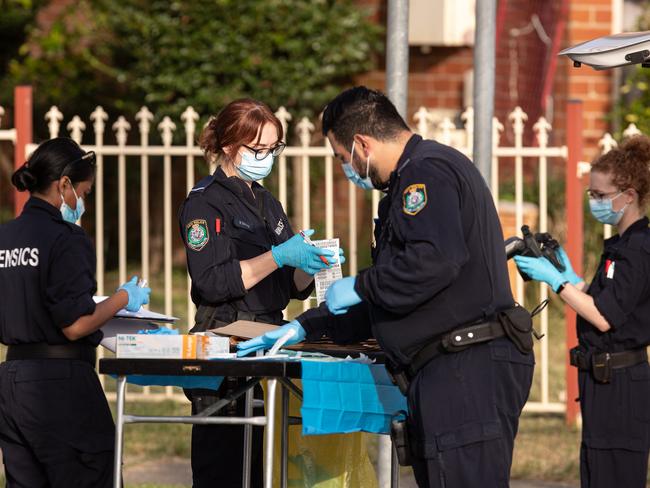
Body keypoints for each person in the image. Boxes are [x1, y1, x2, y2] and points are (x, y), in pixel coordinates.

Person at [239, 86, 536, 487]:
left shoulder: (426, 174)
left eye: (343, 159)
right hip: (446, 368)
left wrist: (360, 284)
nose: (347, 169)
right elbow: (391, 291)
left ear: (362, 144)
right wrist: (309, 324)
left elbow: (433, 262)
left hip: (467, 368)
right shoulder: (404, 186)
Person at [178, 98, 342, 488]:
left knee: (266, 468)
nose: (266, 158)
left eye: (273, 149)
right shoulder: (204, 201)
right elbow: (213, 282)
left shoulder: (267, 202)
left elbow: (289, 288)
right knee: (225, 466)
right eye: (258, 150)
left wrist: (312, 262)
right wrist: (279, 254)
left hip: (269, 337)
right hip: (226, 340)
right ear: (230, 146)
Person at [0, 137, 151, 487]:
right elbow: (74, 325)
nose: (83, 202)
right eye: (84, 193)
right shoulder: (66, 238)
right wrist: (121, 298)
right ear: (63, 185)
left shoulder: (5, 237)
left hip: (12, 383)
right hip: (60, 384)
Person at [515, 135, 650, 488]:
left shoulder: (638, 250)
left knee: (614, 473)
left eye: (601, 196)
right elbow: (600, 298)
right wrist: (568, 276)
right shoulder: (620, 245)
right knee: (596, 469)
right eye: (592, 194)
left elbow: (604, 317)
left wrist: (557, 282)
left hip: (622, 384)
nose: (595, 202)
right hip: (602, 382)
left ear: (630, 196)